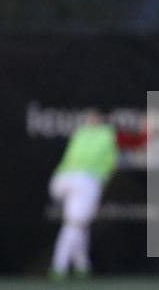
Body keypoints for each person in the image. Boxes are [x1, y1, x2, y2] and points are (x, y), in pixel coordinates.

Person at [48, 109, 119, 280]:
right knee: (74, 225)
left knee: (80, 224)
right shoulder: (107, 134)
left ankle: (82, 266)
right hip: (85, 181)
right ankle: (58, 267)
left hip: (61, 180)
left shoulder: (81, 133)